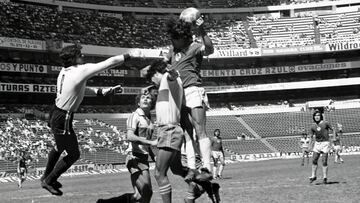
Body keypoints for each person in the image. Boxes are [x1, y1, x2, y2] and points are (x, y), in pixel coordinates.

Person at [40, 44, 144, 196]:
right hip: (64, 116)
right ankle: (49, 180)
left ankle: (46, 177)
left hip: (57, 113)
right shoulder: (79, 70)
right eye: (80, 55)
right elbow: (109, 63)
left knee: (59, 147)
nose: (83, 57)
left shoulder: (65, 71)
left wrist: (102, 92)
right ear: (74, 58)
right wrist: (129, 55)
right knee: (74, 154)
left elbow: (80, 90)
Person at [145, 60, 219, 203]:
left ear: (157, 73)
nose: (152, 83)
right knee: (177, 170)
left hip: (168, 130)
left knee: (159, 173)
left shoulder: (168, 78)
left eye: (152, 79)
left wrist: (170, 71)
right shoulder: (166, 83)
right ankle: (208, 186)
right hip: (169, 131)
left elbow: (172, 75)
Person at [164, 16, 214, 179]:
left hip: (193, 89)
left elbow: (210, 49)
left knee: (200, 129)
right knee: (187, 132)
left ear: (182, 37)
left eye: (174, 38)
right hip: (177, 92)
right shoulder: (172, 50)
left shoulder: (194, 47)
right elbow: (164, 65)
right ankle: (192, 167)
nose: (171, 40)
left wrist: (201, 29)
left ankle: (207, 167)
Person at [125, 92, 157, 203]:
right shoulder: (135, 115)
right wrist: (151, 142)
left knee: (139, 196)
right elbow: (130, 136)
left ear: (152, 103)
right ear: (138, 103)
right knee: (147, 191)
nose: (145, 99)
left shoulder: (150, 120)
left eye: (148, 98)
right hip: (134, 157)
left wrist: (154, 156)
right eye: (143, 97)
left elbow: (148, 144)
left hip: (144, 158)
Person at [309, 110, 333, 184]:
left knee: (324, 161)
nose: (317, 117)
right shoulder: (313, 126)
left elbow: (333, 129)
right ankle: (313, 176)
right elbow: (311, 136)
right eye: (315, 116)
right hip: (317, 144)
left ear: (321, 116)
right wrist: (309, 145)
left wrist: (334, 138)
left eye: (318, 115)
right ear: (314, 117)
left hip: (325, 143)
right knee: (314, 160)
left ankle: (325, 177)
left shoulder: (325, 123)